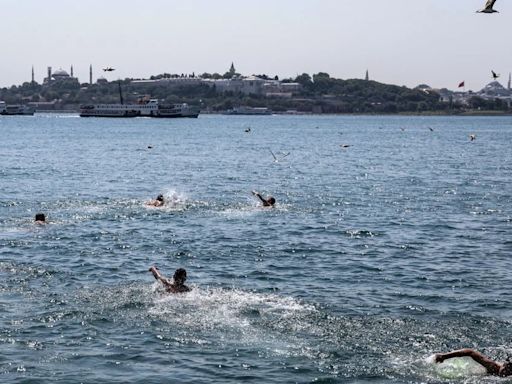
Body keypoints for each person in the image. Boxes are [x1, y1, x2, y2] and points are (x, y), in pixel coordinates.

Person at [434, 348, 512, 377]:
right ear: (505, 364)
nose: (505, 371)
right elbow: (470, 352)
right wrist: (444, 356)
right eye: (507, 368)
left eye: (509, 371)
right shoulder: (493, 367)